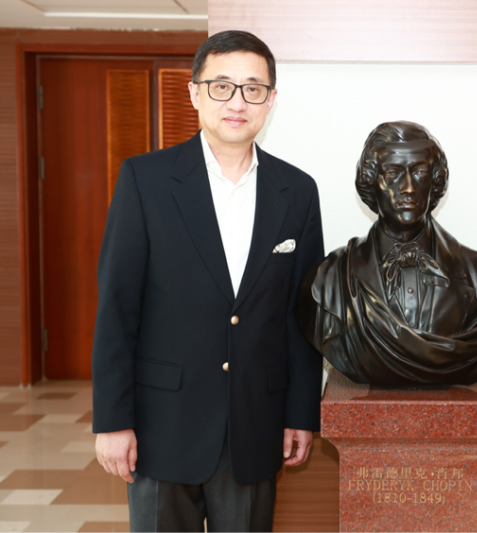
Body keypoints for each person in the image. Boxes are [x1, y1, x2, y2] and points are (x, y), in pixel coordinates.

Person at [92, 30, 324, 532]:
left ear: (271, 100)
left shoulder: (298, 191)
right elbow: (117, 308)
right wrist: (113, 421)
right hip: (161, 425)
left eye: (253, 89)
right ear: (195, 93)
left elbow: (302, 316)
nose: (237, 102)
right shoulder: (145, 180)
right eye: (222, 86)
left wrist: (301, 413)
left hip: (254, 427)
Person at [296, 121, 477, 387]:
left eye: (420, 172)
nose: (408, 187)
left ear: (434, 182)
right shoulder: (327, 282)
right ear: (371, 182)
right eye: (393, 173)